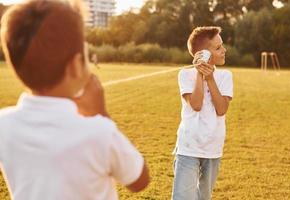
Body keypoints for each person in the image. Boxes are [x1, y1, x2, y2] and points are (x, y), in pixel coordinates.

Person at [0, 1, 149, 199]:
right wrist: (102, 115)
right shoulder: (99, 132)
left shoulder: (4, 124)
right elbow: (140, 180)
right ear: (75, 66)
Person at [172, 26, 233, 200]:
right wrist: (199, 75)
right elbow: (196, 105)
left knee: (204, 197)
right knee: (183, 196)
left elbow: (222, 109)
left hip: (213, 148)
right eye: (218, 47)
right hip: (188, 147)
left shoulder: (225, 76)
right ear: (203, 54)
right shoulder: (185, 74)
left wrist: (210, 78)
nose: (224, 50)